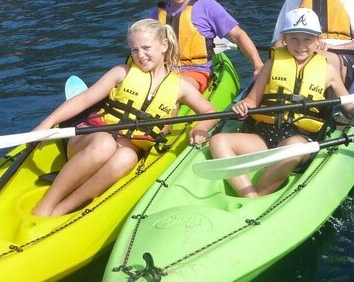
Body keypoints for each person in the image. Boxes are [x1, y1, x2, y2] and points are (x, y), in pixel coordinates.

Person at [31, 19, 220, 217]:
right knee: (105, 144)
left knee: (128, 157)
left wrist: (200, 128)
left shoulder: (180, 87)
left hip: (123, 148)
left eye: (146, 48)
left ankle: (63, 209)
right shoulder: (122, 72)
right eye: (135, 50)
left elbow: (209, 112)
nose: (141, 55)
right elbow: (84, 99)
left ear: (164, 45)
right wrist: (47, 123)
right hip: (88, 141)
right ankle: (45, 205)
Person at [209, 8, 354, 197]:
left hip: (300, 140)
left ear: (318, 41)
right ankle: (249, 195)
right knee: (218, 141)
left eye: (307, 39)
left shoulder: (328, 71)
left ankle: (260, 195)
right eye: (294, 38)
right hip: (264, 137)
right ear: (284, 39)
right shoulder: (271, 64)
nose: (301, 45)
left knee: (293, 148)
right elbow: (252, 100)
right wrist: (243, 105)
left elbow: (349, 105)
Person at [152, 0, 264, 93]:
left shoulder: (207, 7)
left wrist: (258, 64)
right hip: (163, 70)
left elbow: (238, 35)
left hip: (195, 72)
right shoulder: (155, 14)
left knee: (174, 89)